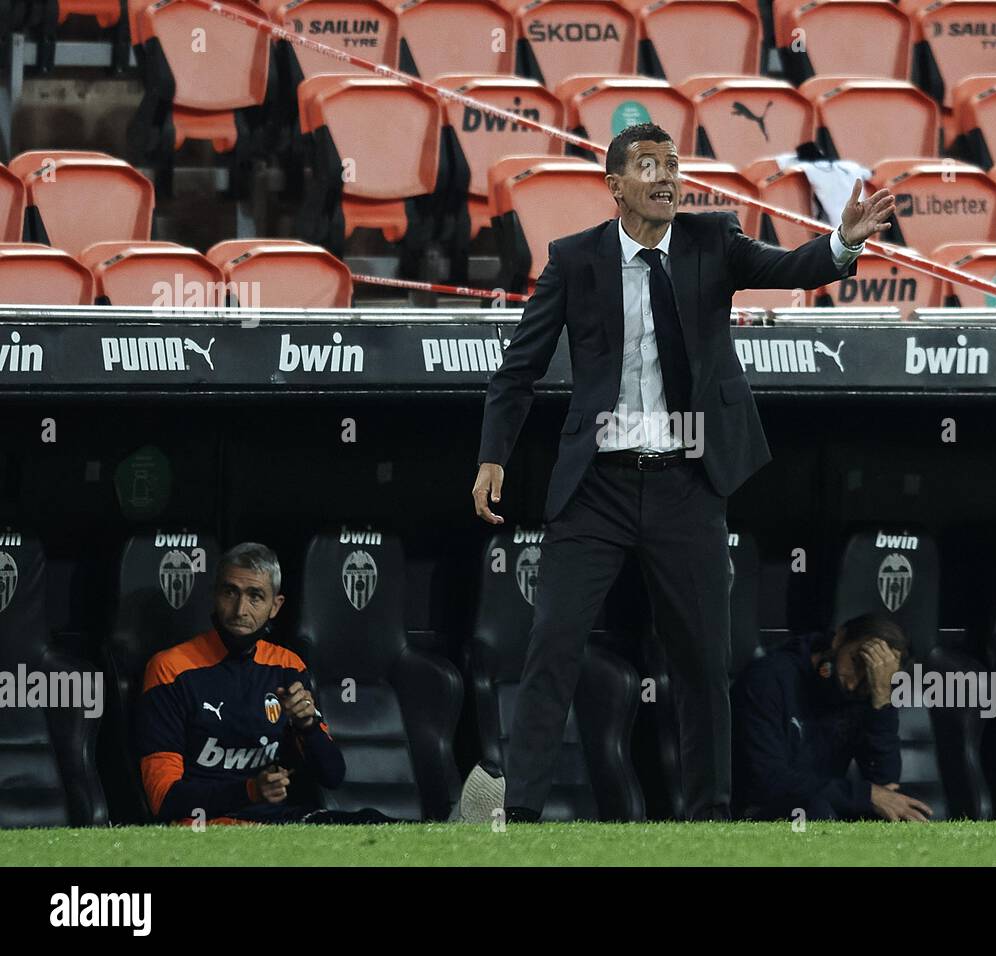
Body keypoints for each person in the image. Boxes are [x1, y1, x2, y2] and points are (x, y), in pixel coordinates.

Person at [464, 121, 896, 822]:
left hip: (686, 484)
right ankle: (520, 815)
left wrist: (843, 243)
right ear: (615, 187)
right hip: (595, 487)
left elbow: (790, 270)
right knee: (551, 651)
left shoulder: (713, 241)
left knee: (701, 665)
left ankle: (709, 820)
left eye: (672, 163)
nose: (666, 175)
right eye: (647, 165)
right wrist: (492, 456)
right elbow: (519, 370)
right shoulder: (574, 260)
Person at [135, 542, 388, 824]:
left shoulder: (288, 666)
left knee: (372, 824)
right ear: (214, 595)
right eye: (230, 592)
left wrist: (308, 727)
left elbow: (333, 776)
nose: (240, 609)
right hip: (206, 826)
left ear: (275, 606)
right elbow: (163, 799)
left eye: (255, 596)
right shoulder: (170, 668)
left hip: (279, 821)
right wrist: (250, 790)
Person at [732, 614, 933, 822]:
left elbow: (885, 784)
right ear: (839, 639)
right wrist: (865, 795)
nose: (853, 684)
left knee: (903, 813)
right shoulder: (769, 678)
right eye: (856, 661)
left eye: (870, 677)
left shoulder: (865, 695)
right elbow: (765, 780)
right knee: (815, 810)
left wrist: (882, 700)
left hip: (824, 810)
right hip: (758, 814)